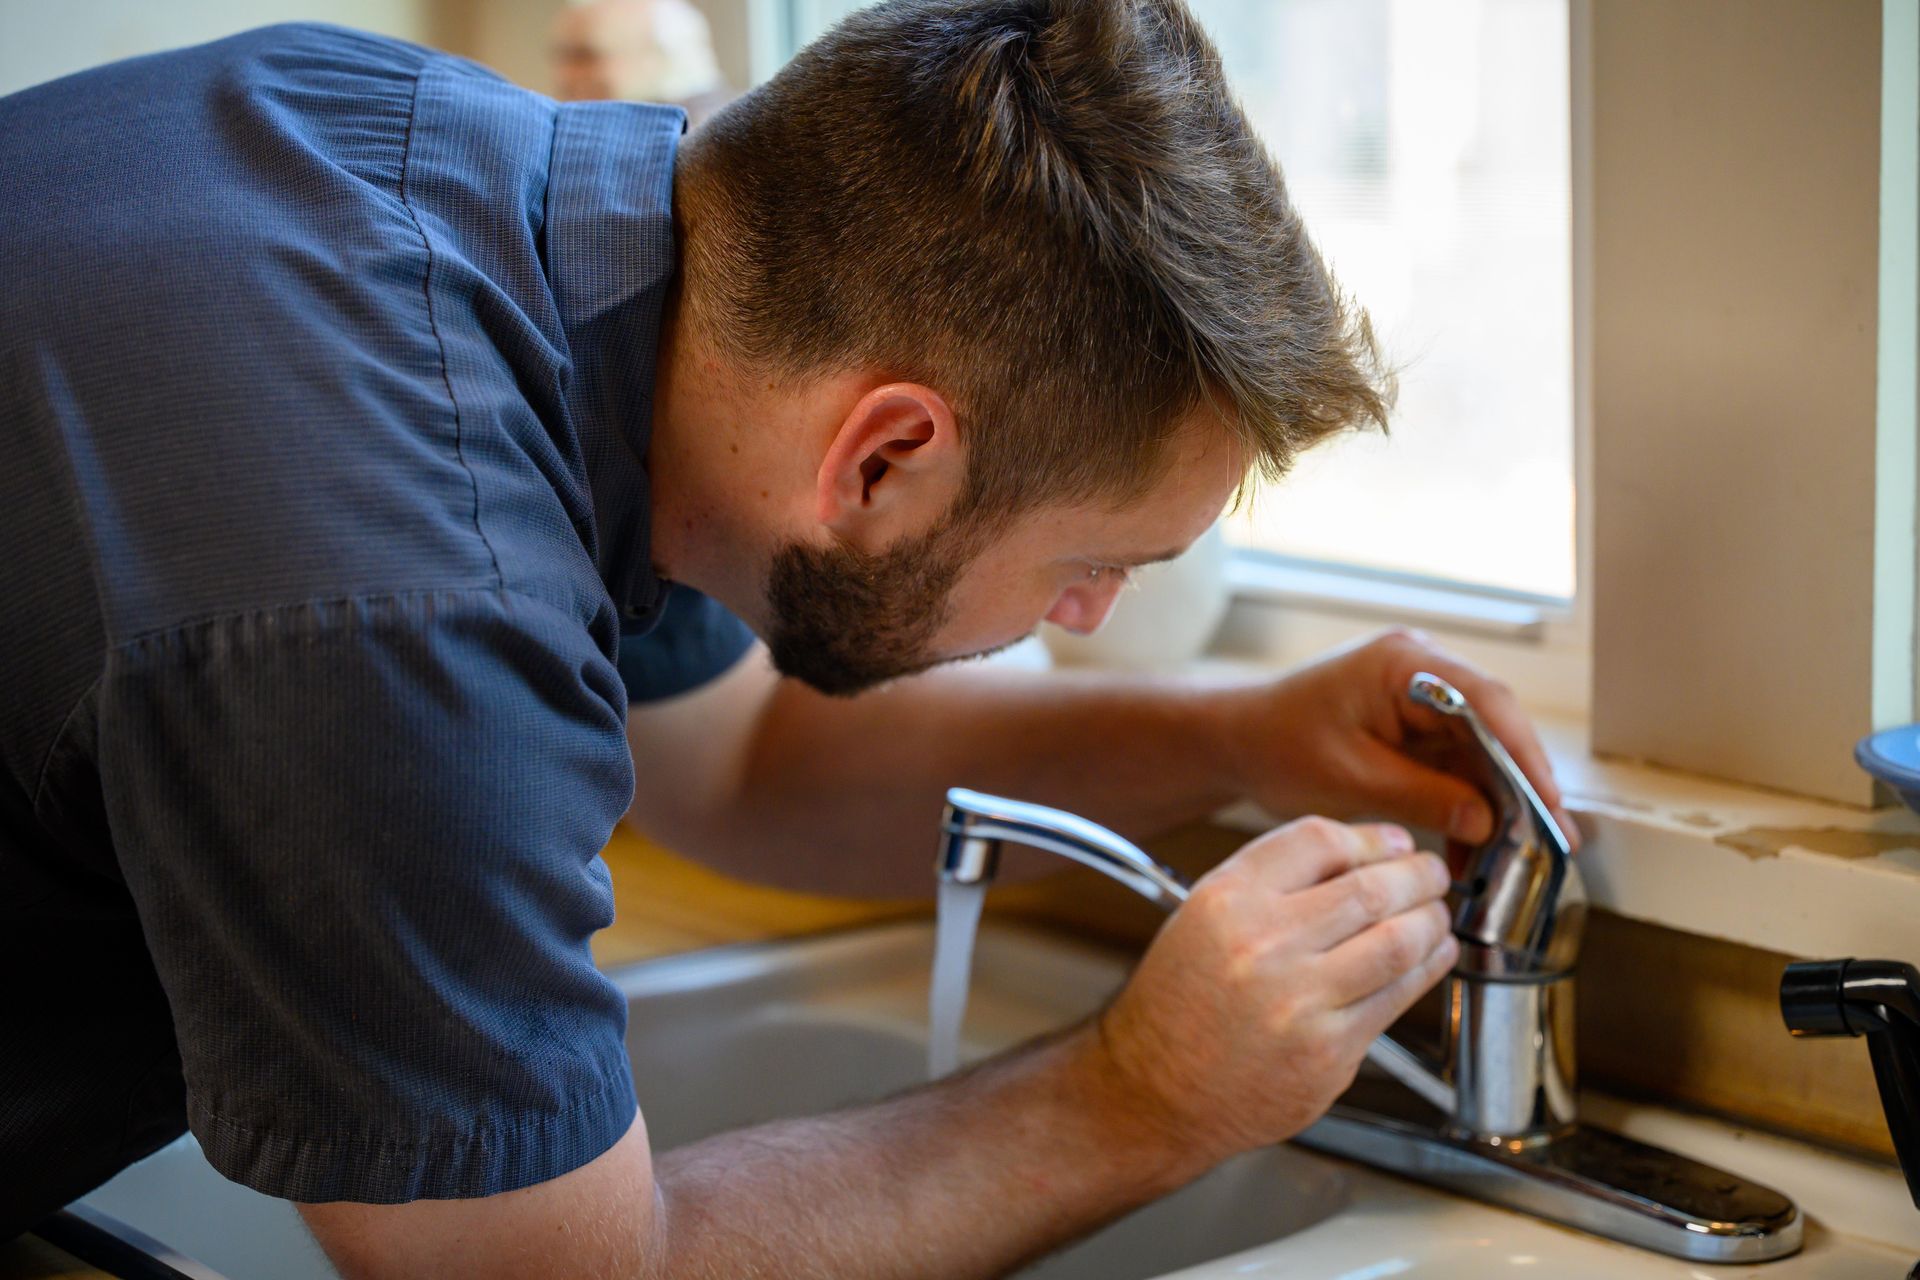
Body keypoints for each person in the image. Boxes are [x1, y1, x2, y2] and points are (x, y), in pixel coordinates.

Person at [0, 4, 1575, 1275]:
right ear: (883, 459)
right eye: (1093, 564)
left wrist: (1237, 736)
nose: (1088, 616)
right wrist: (1143, 1098)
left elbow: (743, 758)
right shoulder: (408, 609)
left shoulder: (454, 199)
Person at [551, 0, 735, 126]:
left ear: (656, 58)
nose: (563, 77)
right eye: (561, 57)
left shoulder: (714, 149)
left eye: (584, 56)